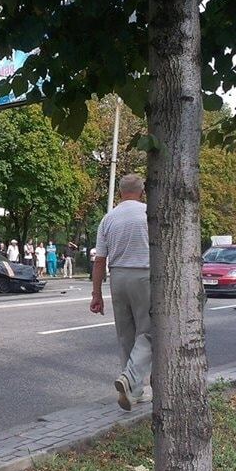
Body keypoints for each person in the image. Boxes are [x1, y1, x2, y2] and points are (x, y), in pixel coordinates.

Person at [89, 174, 152, 411]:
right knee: (148, 333)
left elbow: (99, 261)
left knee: (126, 335)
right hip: (144, 275)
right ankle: (129, 378)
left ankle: (133, 392)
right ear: (142, 191)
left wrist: (96, 294)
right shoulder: (149, 213)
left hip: (117, 277)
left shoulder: (109, 219)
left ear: (120, 193)